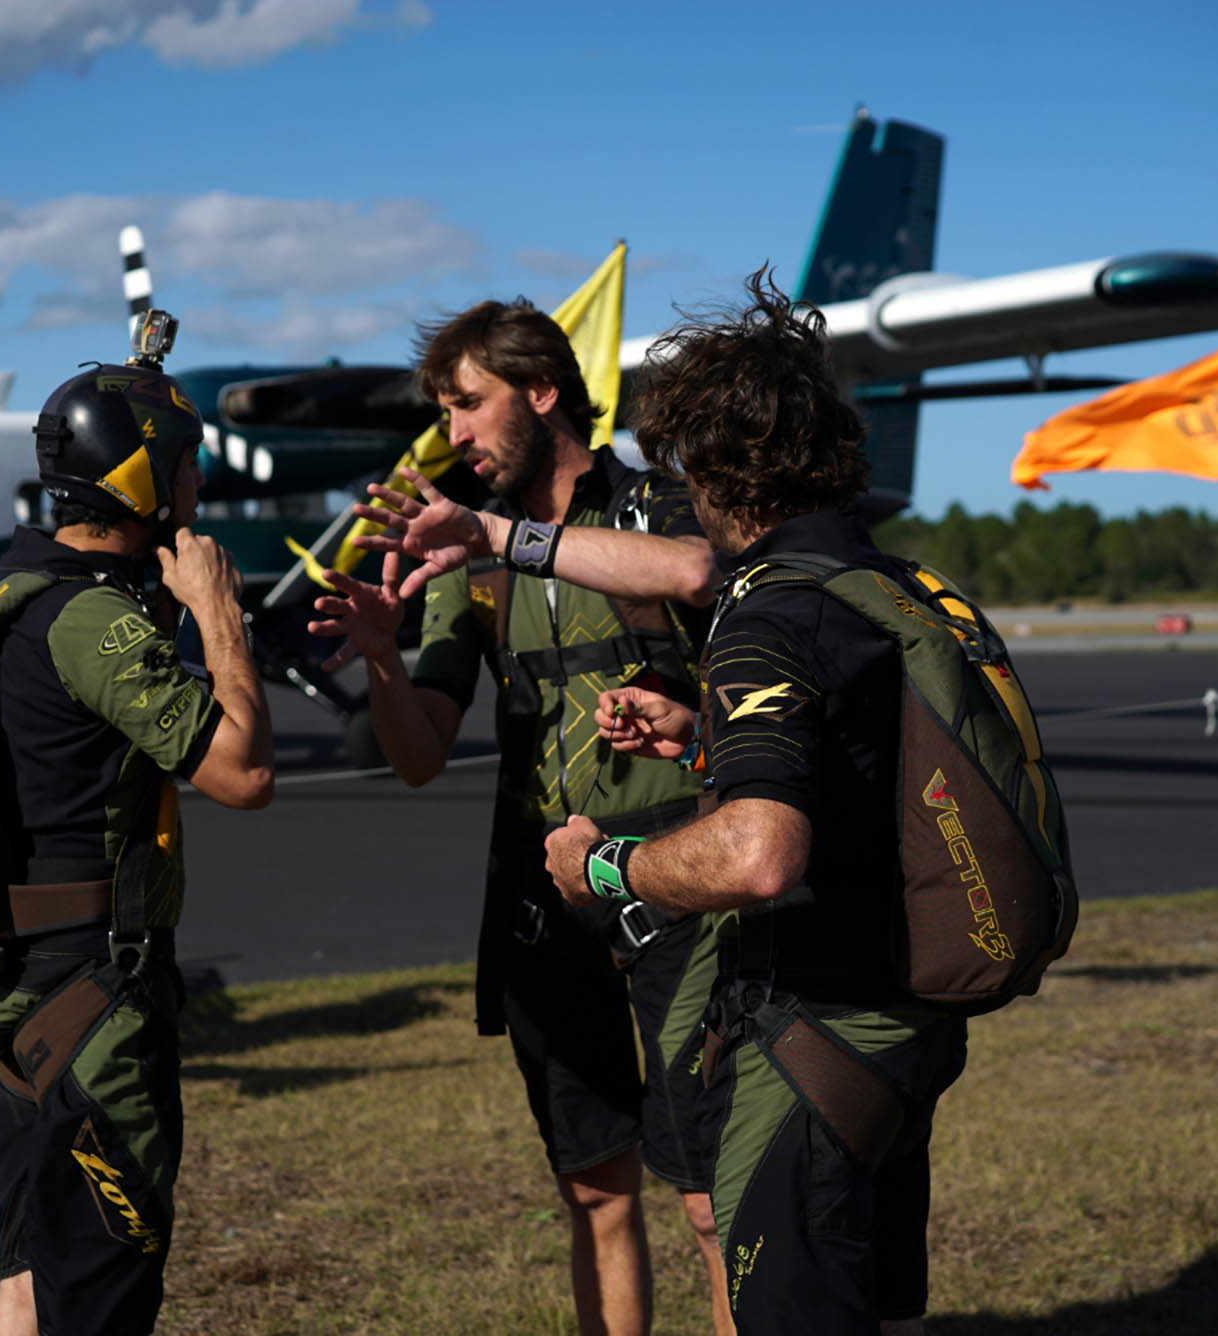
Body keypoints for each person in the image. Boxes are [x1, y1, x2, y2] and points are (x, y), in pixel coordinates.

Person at [543, 269, 969, 1336]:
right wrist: (703, 736)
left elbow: (761, 854)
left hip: (816, 1026)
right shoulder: (891, 586)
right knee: (882, 1297)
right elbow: (863, 768)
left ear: (712, 470)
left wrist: (606, 869)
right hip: (914, 1008)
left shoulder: (766, 612)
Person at [310, 298, 733, 1336]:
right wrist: (379, 654)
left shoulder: (655, 507)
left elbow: (700, 577)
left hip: (677, 894)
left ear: (541, 393)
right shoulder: (465, 556)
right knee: (593, 1189)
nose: (450, 434)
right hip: (545, 912)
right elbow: (417, 755)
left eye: (466, 405)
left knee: (711, 1200)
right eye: (444, 411)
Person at [0, 363, 273, 1336]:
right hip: (90, 1002)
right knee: (100, 1293)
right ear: (140, 477)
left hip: (7, 996)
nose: (197, 487)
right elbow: (242, 770)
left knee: (29, 1279)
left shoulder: (3, 591)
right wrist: (217, 607)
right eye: (183, 465)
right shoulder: (90, 620)